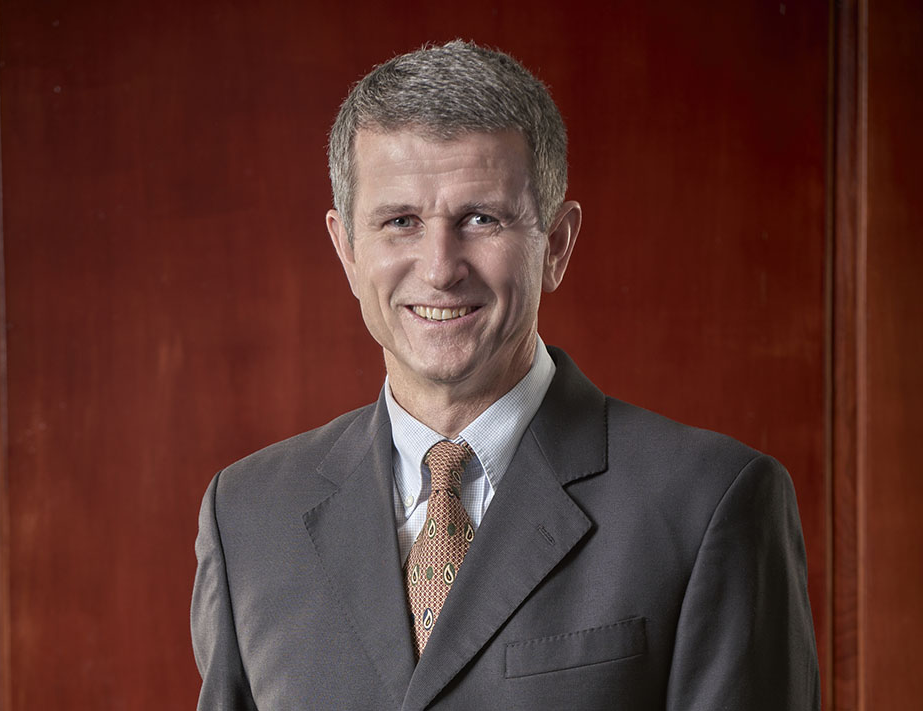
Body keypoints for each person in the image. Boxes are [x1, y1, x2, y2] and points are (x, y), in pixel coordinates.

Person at [191, 40, 820, 710]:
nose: (440, 268)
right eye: (400, 221)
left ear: (557, 245)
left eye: (480, 219)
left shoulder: (710, 502)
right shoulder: (247, 517)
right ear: (346, 249)